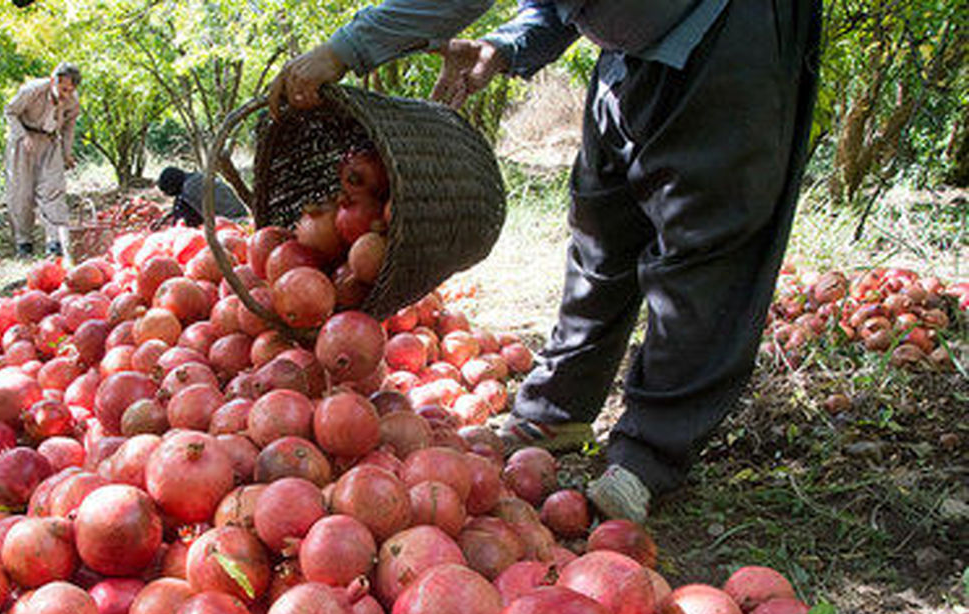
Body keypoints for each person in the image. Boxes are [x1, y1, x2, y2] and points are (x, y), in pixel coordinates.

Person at [269, 0, 821, 523]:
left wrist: (344, 50)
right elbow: (559, 7)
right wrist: (506, 47)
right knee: (601, 230)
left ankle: (652, 451)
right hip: (630, 50)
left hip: (722, 29)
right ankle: (559, 409)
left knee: (704, 248)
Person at [4, 62, 81, 257]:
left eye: (71, 90)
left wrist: (66, 153)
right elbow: (10, 112)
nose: (66, 94)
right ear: (54, 81)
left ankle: (56, 241)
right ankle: (24, 242)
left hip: (50, 142)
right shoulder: (32, 90)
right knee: (21, 193)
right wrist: (22, 135)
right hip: (24, 141)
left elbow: (69, 127)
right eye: (63, 89)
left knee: (54, 189)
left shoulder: (72, 100)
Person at [153, 166, 249, 230]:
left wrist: (171, 228)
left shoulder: (189, 189)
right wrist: (166, 217)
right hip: (241, 214)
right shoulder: (196, 178)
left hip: (232, 222)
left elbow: (186, 219)